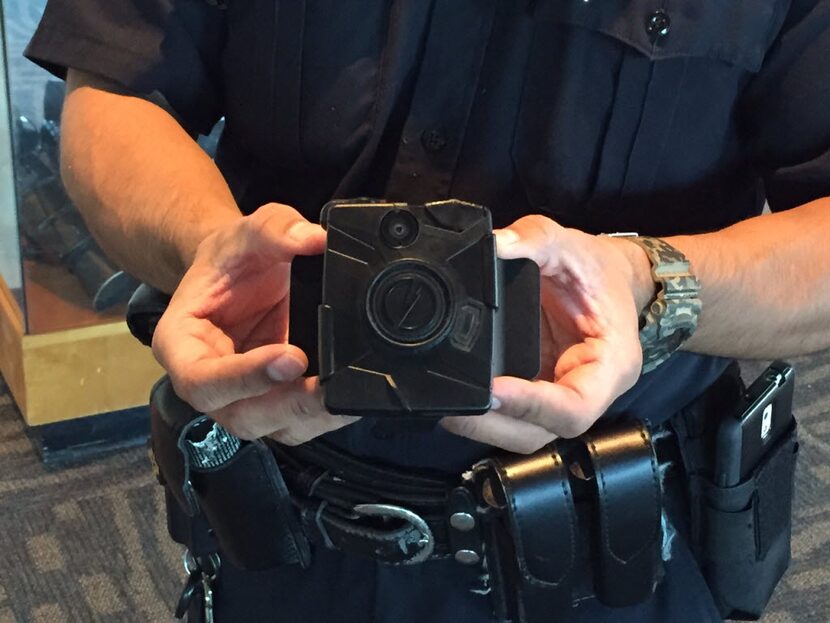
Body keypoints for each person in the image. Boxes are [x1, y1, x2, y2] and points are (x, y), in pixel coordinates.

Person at [24, 0, 830, 621]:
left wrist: (650, 284)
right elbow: (116, 90)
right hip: (282, 527)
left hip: (612, 547)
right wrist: (210, 248)